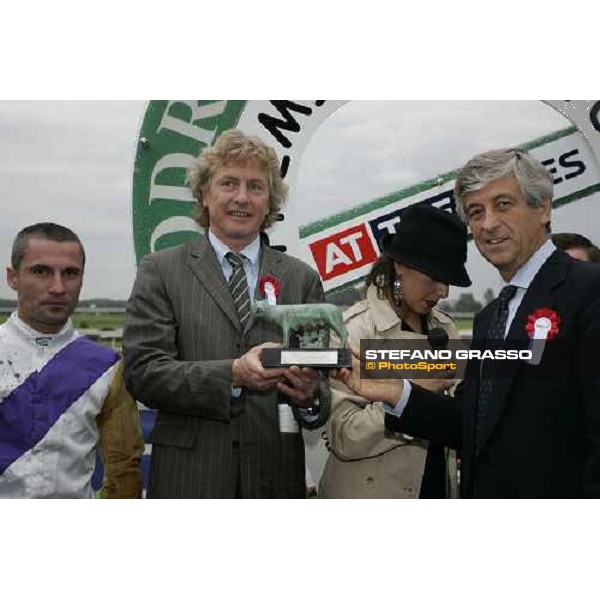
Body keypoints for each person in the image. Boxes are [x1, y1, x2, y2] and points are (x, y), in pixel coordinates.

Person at [337, 148, 600, 498]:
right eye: (476, 212)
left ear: (543, 208)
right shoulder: (491, 317)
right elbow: (474, 423)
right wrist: (398, 394)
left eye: (503, 204)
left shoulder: (590, 291)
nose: (488, 223)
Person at [123, 129, 330, 498]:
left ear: (270, 203)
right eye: (228, 183)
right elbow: (143, 374)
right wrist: (232, 374)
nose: (241, 198)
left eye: (255, 187)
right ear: (204, 194)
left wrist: (309, 396)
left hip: (275, 482)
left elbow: (322, 395)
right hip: (189, 481)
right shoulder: (161, 270)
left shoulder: (302, 279)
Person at [319, 204, 471, 499]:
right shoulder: (353, 332)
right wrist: (407, 397)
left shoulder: (445, 329)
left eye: (448, 280)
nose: (444, 292)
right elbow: (344, 436)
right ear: (400, 265)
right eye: (435, 278)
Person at [0, 223, 143, 498]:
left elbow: (124, 470)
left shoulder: (108, 366)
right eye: (41, 271)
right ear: (12, 277)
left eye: (70, 273)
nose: (58, 287)